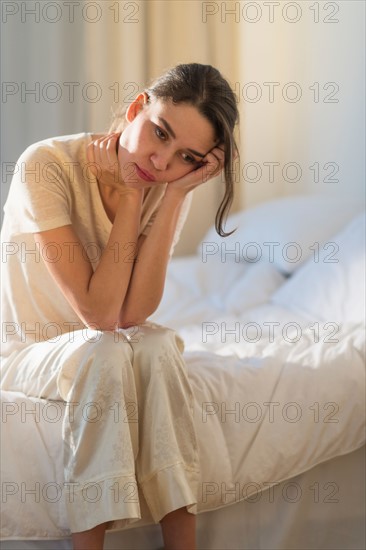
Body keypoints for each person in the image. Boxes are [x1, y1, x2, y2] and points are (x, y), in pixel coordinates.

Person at [1, 63, 239, 550]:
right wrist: (131, 200)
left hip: (97, 348)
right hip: (28, 356)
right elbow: (101, 314)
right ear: (137, 106)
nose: (160, 160)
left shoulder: (167, 185)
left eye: (185, 157)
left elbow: (133, 316)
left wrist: (171, 198)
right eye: (159, 132)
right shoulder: (45, 165)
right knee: (106, 350)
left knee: (155, 345)